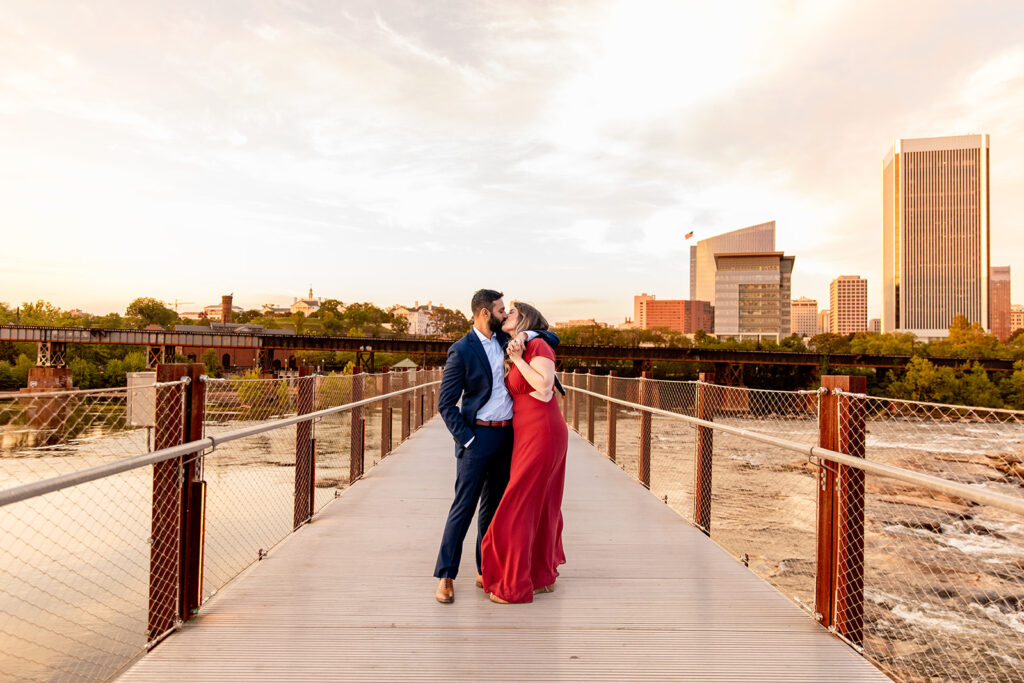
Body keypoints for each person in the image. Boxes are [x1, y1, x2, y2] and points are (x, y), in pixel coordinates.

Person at [433, 289, 560, 603]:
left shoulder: (509, 342)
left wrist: (527, 331)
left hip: (508, 439)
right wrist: (468, 439)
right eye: (501, 310)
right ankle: (446, 576)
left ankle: (484, 569)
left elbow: (550, 337)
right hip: (477, 438)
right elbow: (445, 404)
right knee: (463, 509)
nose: (506, 314)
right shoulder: (461, 350)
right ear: (485, 313)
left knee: (493, 509)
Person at [480, 301, 568, 604]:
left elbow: (544, 390)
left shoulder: (539, 345)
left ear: (525, 319)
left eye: (511, 313)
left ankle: (515, 584)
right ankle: (541, 577)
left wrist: (518, 359)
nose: (505, 315)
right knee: (539, 504)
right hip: (526, 433)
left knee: (519, 503)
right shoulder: (522, 343)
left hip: (542, 430)